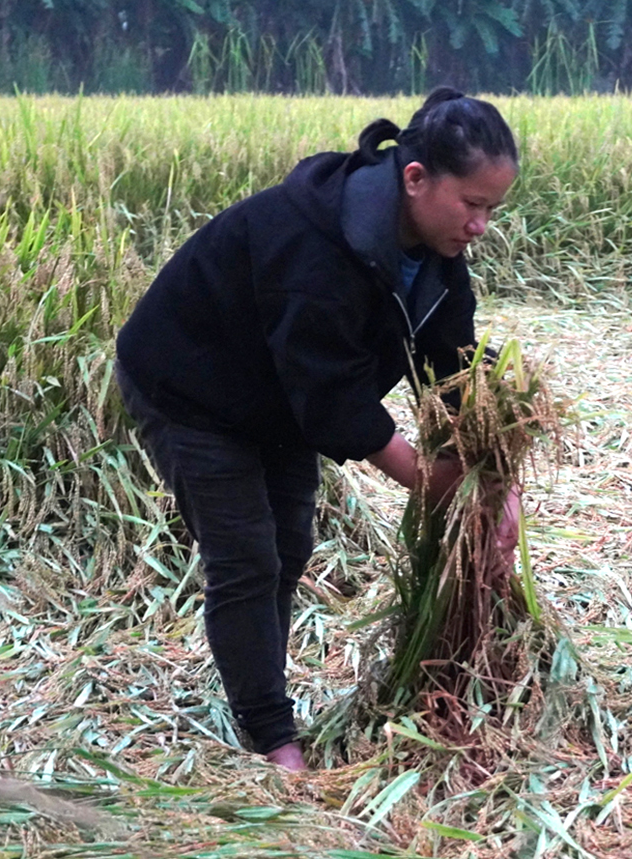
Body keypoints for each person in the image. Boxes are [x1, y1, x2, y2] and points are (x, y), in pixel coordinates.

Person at [114, 88, 520, 771]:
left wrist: (492, 479)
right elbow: (329, 394)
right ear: (415, 179)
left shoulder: (438, 257)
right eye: (472, 205)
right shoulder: (316, 245)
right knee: (247, 558)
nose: (480, 225)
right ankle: (274, 738)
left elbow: (451, 366)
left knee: (290, 544)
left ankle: (260, 688)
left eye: (492, 210)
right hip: (192, 387)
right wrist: (425, 479)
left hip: (277, 397)